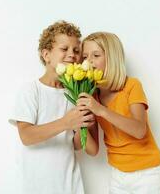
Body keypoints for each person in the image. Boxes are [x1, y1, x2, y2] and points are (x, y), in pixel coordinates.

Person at [9, 21, 98, 194]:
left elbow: (76, 145)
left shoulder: (76, 93)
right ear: (46, 54)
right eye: (64, 49)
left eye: (76, 50)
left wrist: (81, 125)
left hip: (70, 184)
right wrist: (66, 122)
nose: (72, 55)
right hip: (36, 186)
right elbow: (26, 136)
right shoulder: (31, 90)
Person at [77, 32, 160, 194]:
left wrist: (101, 110)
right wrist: (78, 123)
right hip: (118, 175)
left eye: (96, 55)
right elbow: (93, 150)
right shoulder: (93, 95)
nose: (88, 61)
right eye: (84, 57)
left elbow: (139, 130)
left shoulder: (131, 86)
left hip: (147, 174)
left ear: (112, 59)